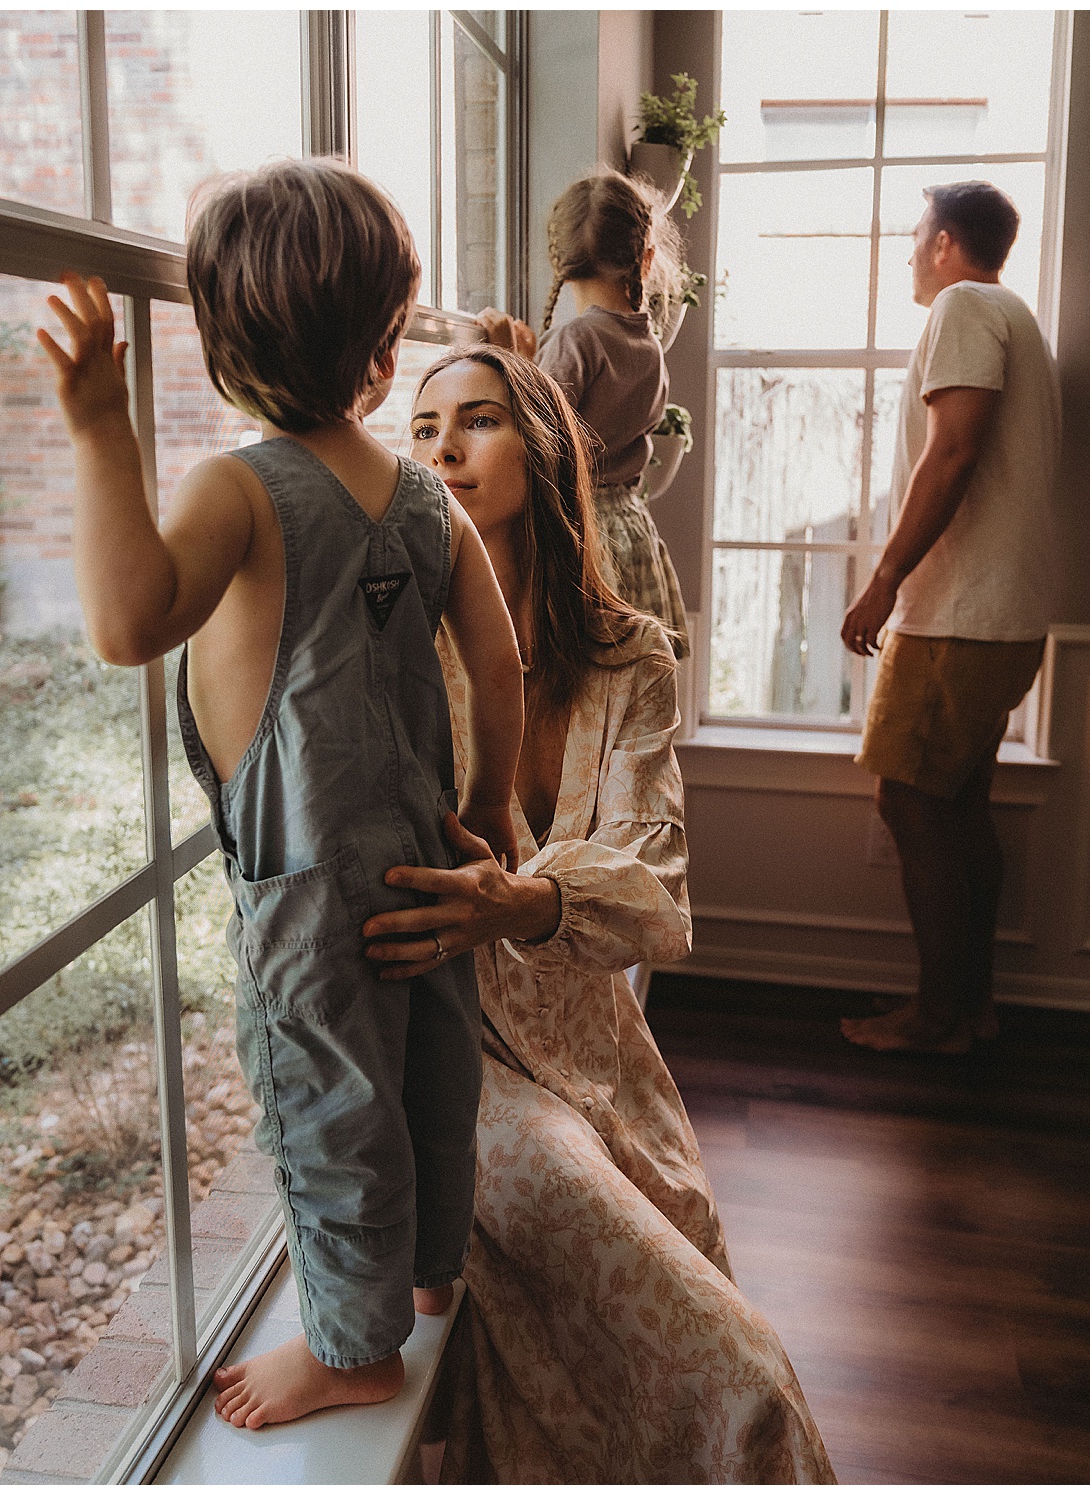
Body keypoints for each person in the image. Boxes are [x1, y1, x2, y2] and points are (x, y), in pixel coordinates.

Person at [36, 158, 525, 1427]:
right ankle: (427, 1278)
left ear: (222, 341)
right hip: (424, 855)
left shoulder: (239, 490)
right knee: (430, 1076)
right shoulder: (425, 496)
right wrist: (493, 805)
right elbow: (499, 661)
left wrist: (99, 428)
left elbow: (128, 618)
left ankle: (354, 1348)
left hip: (306, 883)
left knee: (327, 1108)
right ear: (380, 350)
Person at [359, 343, 835, 1481]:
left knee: (687, 1279)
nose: (444, 450)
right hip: (458, 1071)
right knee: (749, 1370)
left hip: (607, 1061)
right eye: (422, 431)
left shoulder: (633, 660)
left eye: (476, 422)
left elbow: (656, 898)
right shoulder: (393, 659)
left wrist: (519, 899)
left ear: (545, 444)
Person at [840, 181, 1061, 1055]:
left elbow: (956, 448)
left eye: (914, 235)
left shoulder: (967, 305)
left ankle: (938, 1015)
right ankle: (972, 1010)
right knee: (961, 807)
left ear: (944, 244)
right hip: (1003, 615)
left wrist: (885, 576)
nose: (907, 253)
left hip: (959, 614)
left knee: (911, 801)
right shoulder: (1017, 315)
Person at [480, 168, 691, 658]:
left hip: (583, 536)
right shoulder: (649, 345)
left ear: (561, 260)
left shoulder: (577, 341)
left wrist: (511, 366)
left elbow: (538, 442)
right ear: (647, 257)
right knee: (625, 687)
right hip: (630, 528)